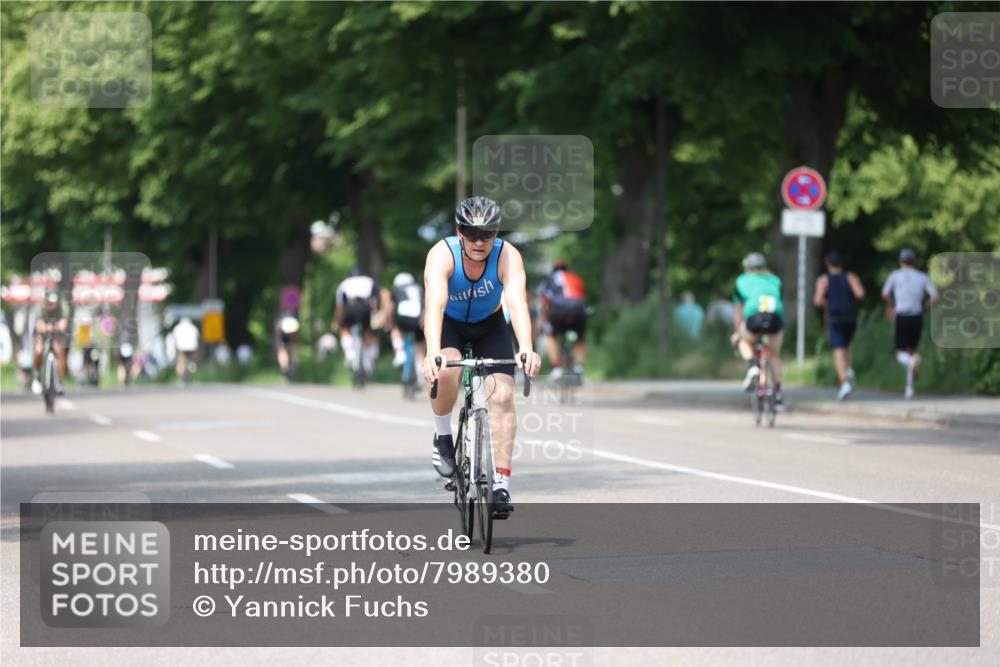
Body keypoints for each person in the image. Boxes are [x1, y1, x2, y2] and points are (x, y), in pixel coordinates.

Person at [421, 196, 542, 519]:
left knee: (502, 397)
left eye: (486, 234)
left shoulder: (508, 255)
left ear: (496, 233)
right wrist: (433, 353)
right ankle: (442, 434)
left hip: (490, 325)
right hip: (450, 325)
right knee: (446, 371)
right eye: (471, 233)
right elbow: (434, 304)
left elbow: (516, 303)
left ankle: (501, 483)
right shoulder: (441, 254)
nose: (478, 242)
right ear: (459, 231)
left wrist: (526, 346)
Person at [881, 248, 938, 399]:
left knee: (901, 354)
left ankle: (911, 366)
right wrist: (925, 306)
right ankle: (909, 388)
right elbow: (935, 295)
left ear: (901, 261)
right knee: (911, 351)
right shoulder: (922, 277)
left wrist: (892, 305)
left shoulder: (895, 275)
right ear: (914, 261)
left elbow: (885, 293)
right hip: (917, 316)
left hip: (902, 316)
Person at [731, 252, 785, 407]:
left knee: (743, 341)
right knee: (774, 355)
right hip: (775, 317)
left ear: (747, 267)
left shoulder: (741, 280)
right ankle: (778, 393)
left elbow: (738, 311)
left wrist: (737, 332)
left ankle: (753, 366)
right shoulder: (775, 280)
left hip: (754, 317)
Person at [814, 251, 865, 401]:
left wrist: (828, 303)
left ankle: (844, 382)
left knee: (838, 349)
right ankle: (849, 371)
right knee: (845, 346)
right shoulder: (850, 277)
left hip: (835, 317)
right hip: (850, 317)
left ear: (827, 263)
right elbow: (860, 294)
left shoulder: (824, 280)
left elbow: (817, 300)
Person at [537, 259, 587, 378]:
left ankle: (556, 368)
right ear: (566, 269)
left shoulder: (549, 280)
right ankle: (579, 367)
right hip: (579, 310)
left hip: (558, 311)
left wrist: (543, 320)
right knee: (580, 337)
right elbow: (582, 297)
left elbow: (545, 302)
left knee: (551, 335)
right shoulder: (576, 278)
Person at [332, 267, 379, 377]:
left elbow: (340, 306)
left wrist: (337, 321)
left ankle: (349, 354)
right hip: (366, 309)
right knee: (368, 331)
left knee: (345, 328)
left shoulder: (343, 284)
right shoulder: (369, 281)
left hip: (351, 308)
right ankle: (368, 361)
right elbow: (379, 295)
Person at [384, 272, 426, 376]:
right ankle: (420, 374)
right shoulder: (419, 288)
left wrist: (389, 322)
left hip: (403, 317)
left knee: (396, 329)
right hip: (418, 318)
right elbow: (426, 304)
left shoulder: (397, 289)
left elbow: (389, 309)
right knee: (419, 347)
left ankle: (399, 353)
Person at [32, 287, 70, 394]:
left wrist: (58, 327)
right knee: (39, 350)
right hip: (42, 331)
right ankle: (37, 375)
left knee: (60, 352)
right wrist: (46, 328)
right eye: (50, 301)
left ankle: (60, 382)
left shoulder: (63, 306)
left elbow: (64, 323)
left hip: (57, 331)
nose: (52, 304)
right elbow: (39, 324)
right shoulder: (40, 307)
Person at [172, 317, 200, 383]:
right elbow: (197, 338)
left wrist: (175, 349)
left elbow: (175, 339)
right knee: (191, 361)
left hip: (181, 347)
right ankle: (191, 369)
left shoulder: (177, 328)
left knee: (181, 362)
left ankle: (181, 377)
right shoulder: (193, 328)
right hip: (192, 347)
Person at [274, 310, 300, 380]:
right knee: (283, 351)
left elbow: (294, 338)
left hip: (285, 335)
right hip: (282, 336)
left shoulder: (290, 323)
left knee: (285, 351)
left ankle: (287, 368)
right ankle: (285, 368)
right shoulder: (290, 322)